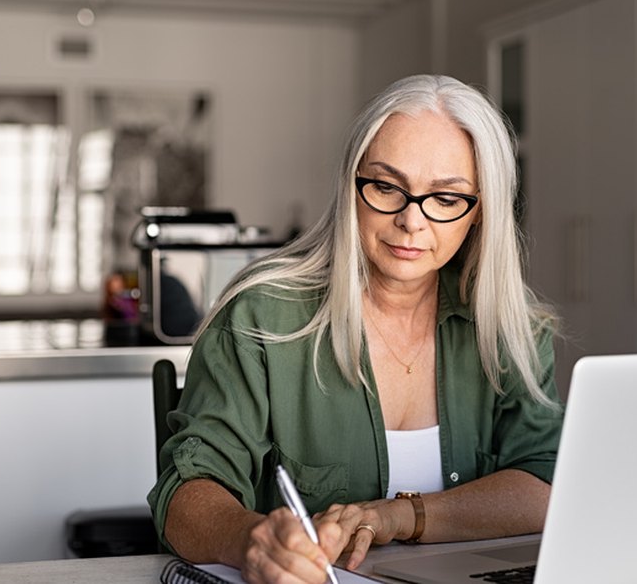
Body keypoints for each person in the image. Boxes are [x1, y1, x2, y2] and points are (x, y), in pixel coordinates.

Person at [147, 74, 563, 583]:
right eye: (387, 187)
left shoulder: (511, 326)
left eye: (447, 198)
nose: (412, 221)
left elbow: (544, 483)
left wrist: (398, 516)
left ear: (480, 212)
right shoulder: (260, 316)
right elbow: (186, 493)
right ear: (351, 186)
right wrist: (248, 540)